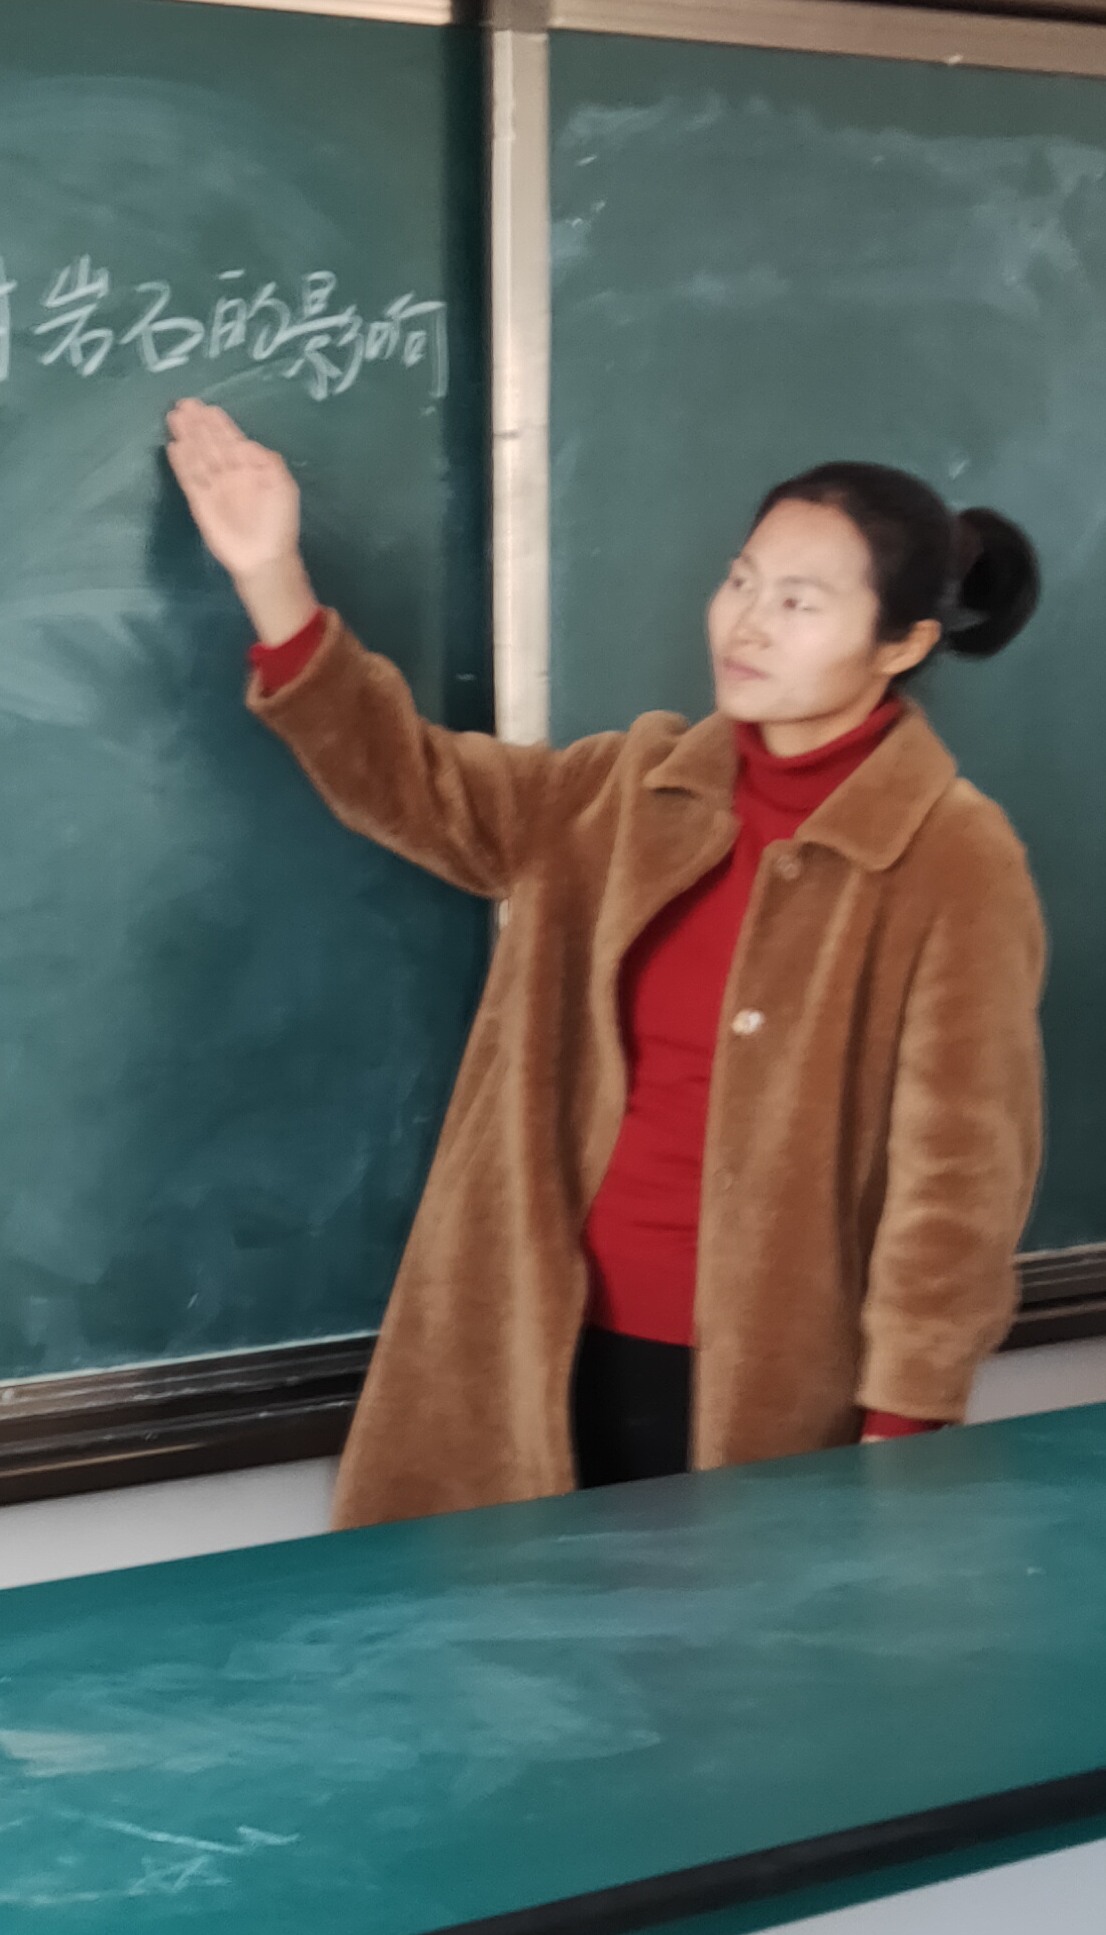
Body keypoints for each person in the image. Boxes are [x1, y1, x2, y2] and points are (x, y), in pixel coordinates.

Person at [164, 397, 1047, 1515]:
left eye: (799, 602)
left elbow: (959, 1176)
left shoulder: (951, 856)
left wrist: (905, 1426)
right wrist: (270, 574)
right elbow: (409, 780)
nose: (748, 624)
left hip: (762, 1384)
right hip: (532, 1349)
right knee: (489, 1626)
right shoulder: (628, 790)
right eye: (740, 580)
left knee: (728, 1632)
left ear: (903, 644)